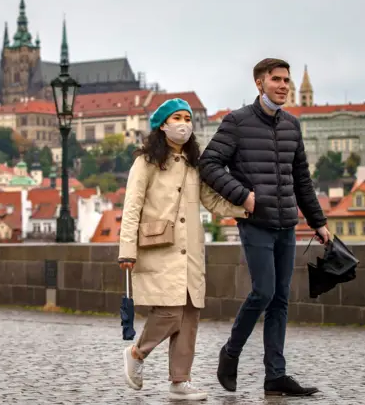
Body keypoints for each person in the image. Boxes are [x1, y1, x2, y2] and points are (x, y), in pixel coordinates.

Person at [198, 58, 331, 397]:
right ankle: (230, 353)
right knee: (264, 291)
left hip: (287, 223)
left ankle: (276, 375)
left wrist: (318, 221)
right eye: (276, 79)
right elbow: (208, 164)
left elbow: (301, 179)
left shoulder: (291, 125)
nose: (284, 85)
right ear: (260, 83)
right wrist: (244, 197)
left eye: (287, 80)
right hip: (256, 221)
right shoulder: (237, 122)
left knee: (281, 299)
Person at [119, 98, 247, 401]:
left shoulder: (193, 163)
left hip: (190, 249)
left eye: (188, 118)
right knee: (169, 311)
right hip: (157, 246)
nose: (184, 124)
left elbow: (211, 200)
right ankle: (137, 353)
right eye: (177, 118)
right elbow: (132, 205)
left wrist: (244, 208)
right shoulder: (146, 161)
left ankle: (180, 381)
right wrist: (127, 249)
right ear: (162, 124)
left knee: (189, 314)